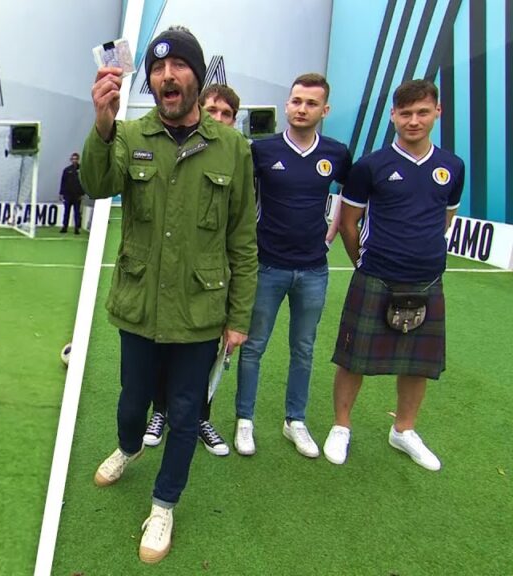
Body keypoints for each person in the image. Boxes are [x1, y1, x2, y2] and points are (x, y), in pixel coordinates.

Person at [81, 26, 257, 563]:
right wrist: (103, 125)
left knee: (184, 412)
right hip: (139, 304)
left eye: (178, 65)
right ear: (151, 81)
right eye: (158, 69)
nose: (166, 75)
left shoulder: (232, 148)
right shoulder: (131, 134)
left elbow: (243, 239)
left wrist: (239, 317)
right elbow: (96, 184)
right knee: (132, 404)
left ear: (197, 79)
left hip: (201, 312)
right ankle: (130, 447)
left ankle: (164, 504)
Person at [323, 80, 463, 472]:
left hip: (427, 277)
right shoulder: (371, 166)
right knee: (352, 357)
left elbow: (445, 219)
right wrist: (362, 262)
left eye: (421, 112)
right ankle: (341, 426)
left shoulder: (452, 166)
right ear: (393, 116)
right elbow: (349, 223)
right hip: (377, 275)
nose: (413, 121)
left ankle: (403, 429)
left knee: (417, 363)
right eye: (405, 113)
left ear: (438, 112)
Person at [231, 73, 353, 459]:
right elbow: (242, 202)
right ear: (286, 105)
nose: (302, 109)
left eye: (311, 103)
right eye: (296, 101)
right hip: (268, 266)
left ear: (324, 110)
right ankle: (244, 420)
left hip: (314, 270)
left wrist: (330, 235)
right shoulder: (261, 151)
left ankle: (294, 420)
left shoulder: (336, 153)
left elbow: (350, 200)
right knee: (253, 347)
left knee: (303, 348)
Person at [142, 81, 243, 456]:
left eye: (226, 114)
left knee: (208, 356)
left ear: (234, 120)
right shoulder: (175, 152)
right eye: (211, 110)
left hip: (216, 281)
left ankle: (200, 417)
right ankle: (160, 412)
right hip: (173, 278)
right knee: (166, 350)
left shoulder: (238, 158)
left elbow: (241, 234)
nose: (218, 118)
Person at [59, 152, 84, 234]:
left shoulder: (82, 170)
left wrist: (82, 194)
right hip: (68, 195)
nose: (74, 160)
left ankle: (77, 228)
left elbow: (84, 183)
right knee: (66, 212)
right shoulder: (66, 170)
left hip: (77, 195)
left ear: (78, 159)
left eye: (76, 159)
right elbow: (63, 182)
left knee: (77, 212)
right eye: (73, 159)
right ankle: (64, 227)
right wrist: (61, 193)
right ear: (71, 160)